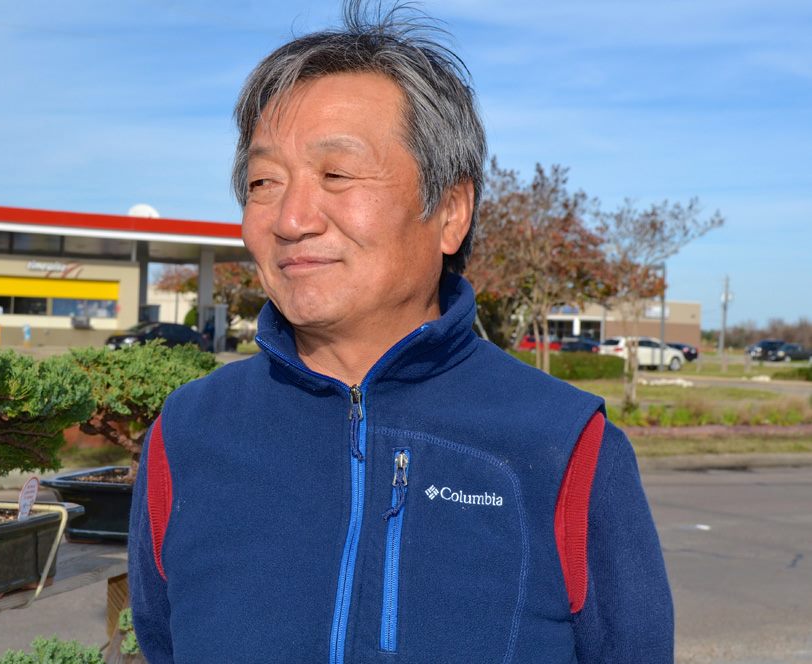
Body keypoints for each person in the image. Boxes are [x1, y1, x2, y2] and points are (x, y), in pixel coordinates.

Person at [128, 3, 674, 662]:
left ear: (451, 211)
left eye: (336, 174)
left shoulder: (564, 444)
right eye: (263, 181)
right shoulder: (187, 432)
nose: (291, 219)